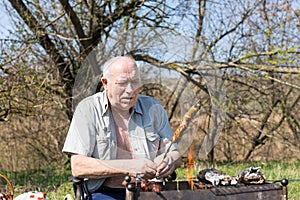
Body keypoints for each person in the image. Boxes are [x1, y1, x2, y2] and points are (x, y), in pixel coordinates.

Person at [62, 56, 181, 200]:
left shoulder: (153, 108)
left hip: (149, 191)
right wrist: (130, 167)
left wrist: (169, 161)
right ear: (106, 83)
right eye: (123, 83)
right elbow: (78, 166)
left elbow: (175, 154)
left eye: (135, 82)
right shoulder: (87, 110)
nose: (130, 90)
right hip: (105, 193)